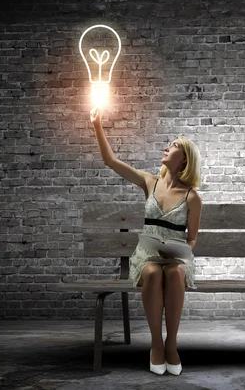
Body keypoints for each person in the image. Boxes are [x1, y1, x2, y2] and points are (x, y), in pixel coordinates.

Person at [90, 107, 202, 376]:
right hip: (148, 254)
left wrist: (184, 252)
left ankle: (171, 345)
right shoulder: (149, 182)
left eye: (174, 146)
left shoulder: (192, 197)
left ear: (184, 160)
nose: (167, 147)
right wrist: (97, 125)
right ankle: (156, 345)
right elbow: (111, 161)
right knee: (152, 272)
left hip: (176, 256)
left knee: (174, 273)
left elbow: (193, 237)